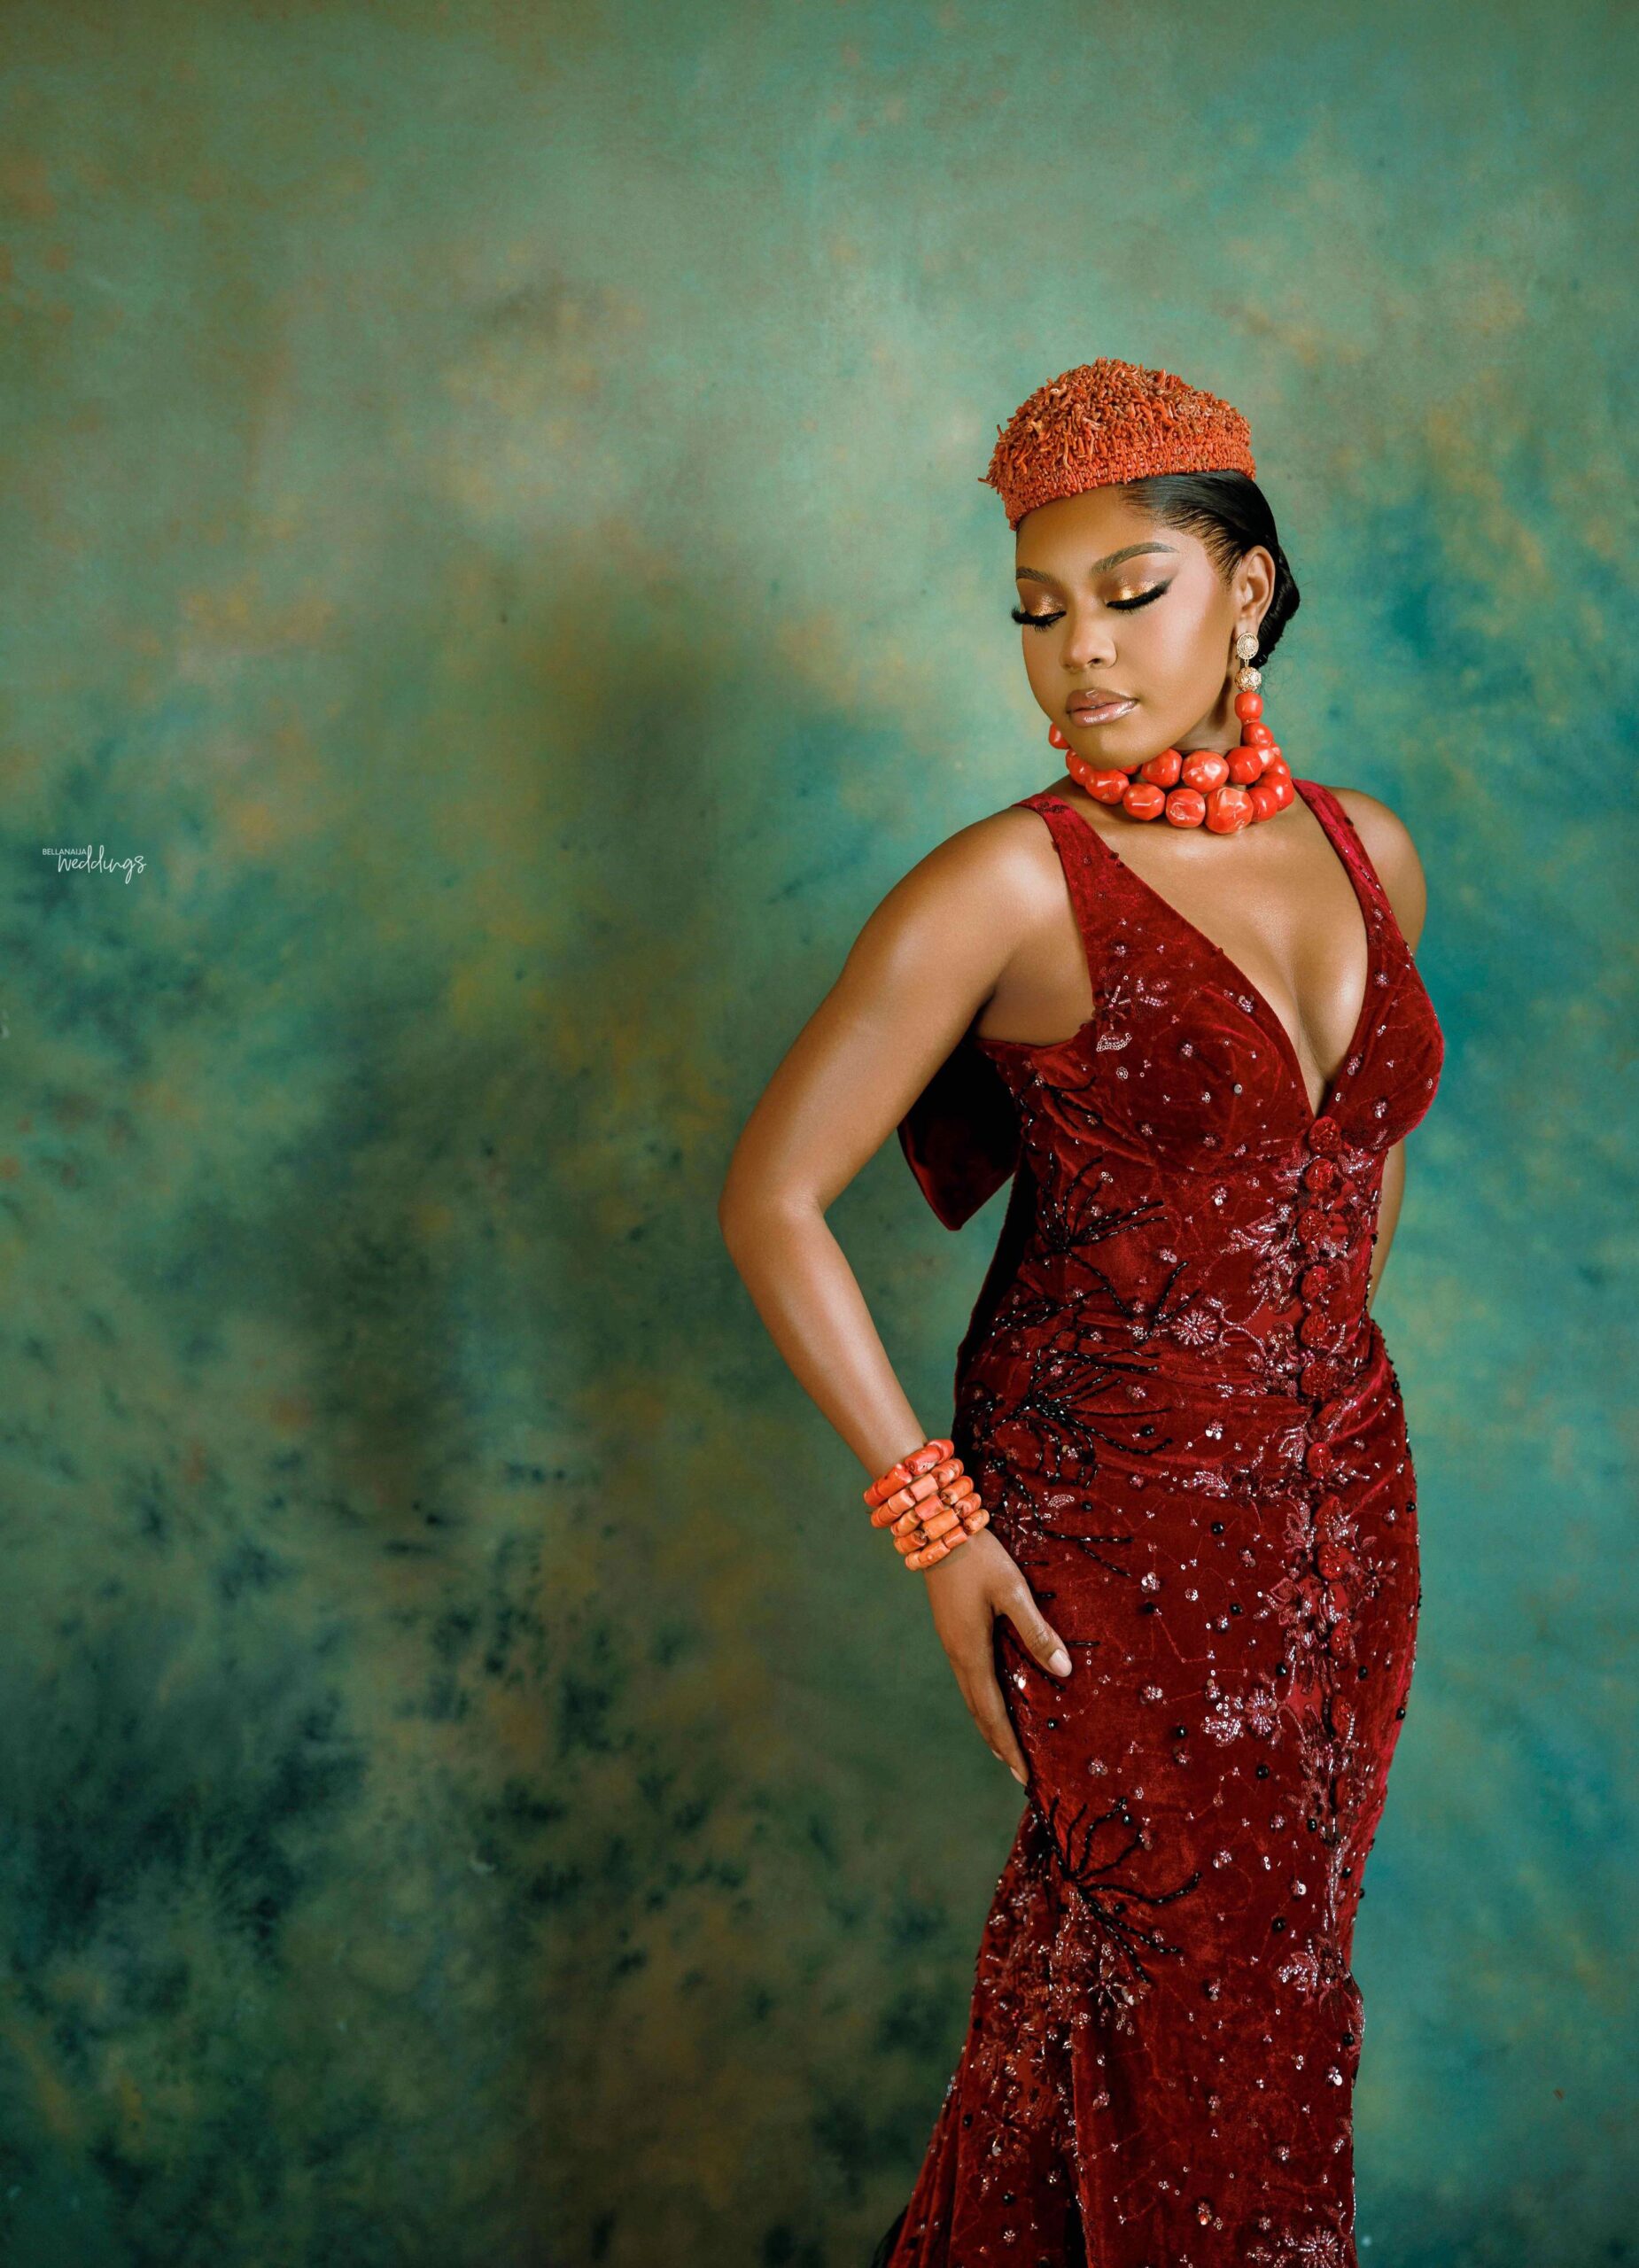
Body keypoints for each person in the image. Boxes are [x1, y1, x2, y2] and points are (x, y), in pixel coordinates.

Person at [718, 358, 1446, 2268]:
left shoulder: (1369, 852)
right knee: (1185, 2003)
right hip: (1107, 1529)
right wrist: (938, 1522)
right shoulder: (1003, 886)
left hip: (1345, 1519)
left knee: (1272, 1983)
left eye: (1130, 592)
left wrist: (1303, 1394)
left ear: (1247, 593)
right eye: (1036, 612)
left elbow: (1355, 1151)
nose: (1079, 653)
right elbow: (770, 1197)